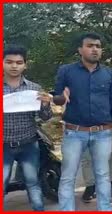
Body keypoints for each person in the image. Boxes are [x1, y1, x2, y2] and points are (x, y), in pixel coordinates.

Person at [53, 32, 112, 211]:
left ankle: (105, 209)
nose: (94, 49)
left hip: (102, 132)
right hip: (74, 132)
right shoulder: (66, 71)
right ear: (80, 49)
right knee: (67, 176)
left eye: (98, 46)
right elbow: (57, 97)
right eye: (90, 46)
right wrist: (61, 98)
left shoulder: (109, 73)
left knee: (103, 175)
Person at [3, 45, 52, 211]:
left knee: (33, 182)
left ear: (25, 65)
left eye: (19, 62)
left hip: (29, 143)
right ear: (2, 63)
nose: (14, 66)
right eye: (9, 62)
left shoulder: (34, 88)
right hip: (3, 145)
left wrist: (45, 105)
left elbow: (45, 117)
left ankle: (39, 209)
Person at [81, 127, 112, 203]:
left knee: (110, 155)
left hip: (105, 124)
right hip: (83, 126)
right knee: (86, 158)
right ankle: (90, 186)